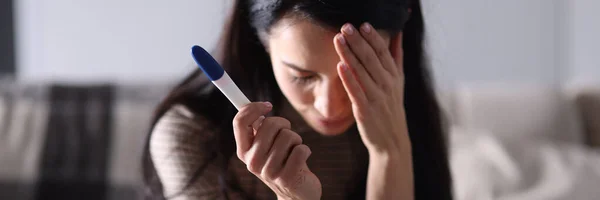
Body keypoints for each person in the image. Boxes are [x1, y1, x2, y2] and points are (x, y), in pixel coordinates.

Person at [142, 0, 452, 199]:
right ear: (262, 42)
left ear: (397, 43)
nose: (328, 108)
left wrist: (391, 153)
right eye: (303, 77)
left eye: (355, 76)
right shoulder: (193, 137)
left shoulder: (412, 123)